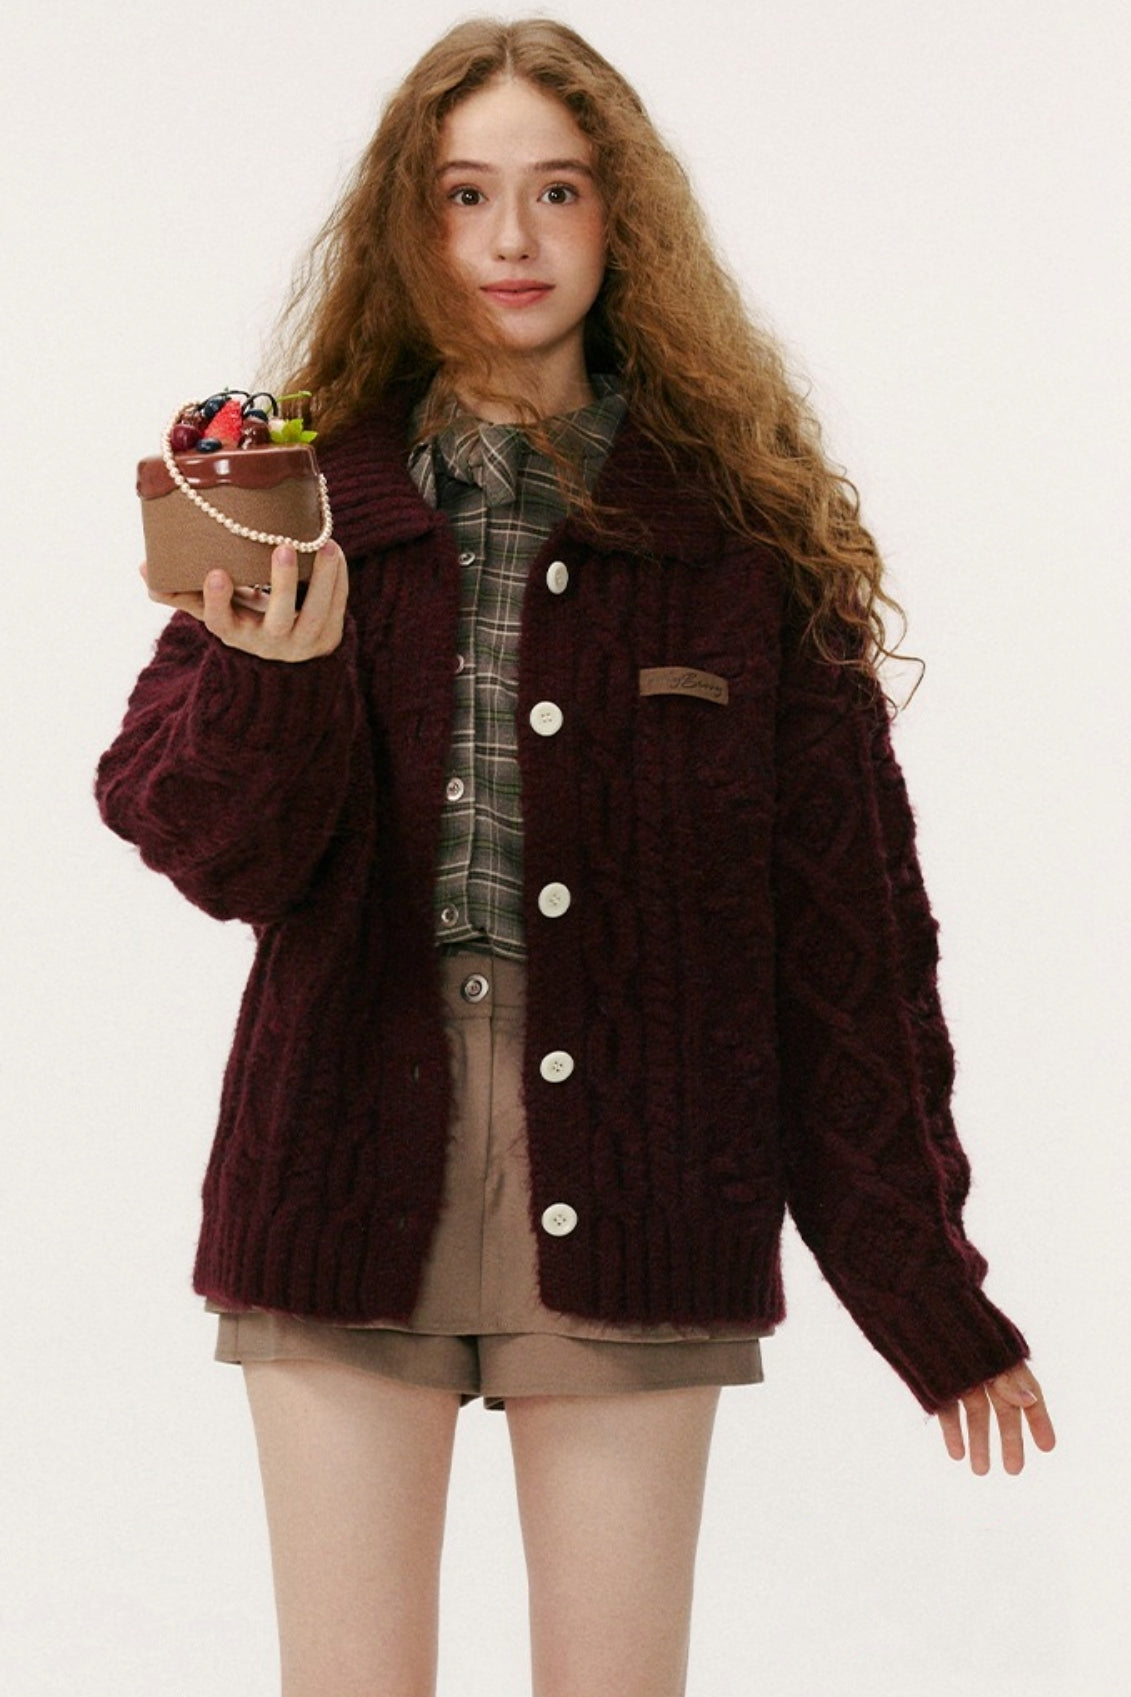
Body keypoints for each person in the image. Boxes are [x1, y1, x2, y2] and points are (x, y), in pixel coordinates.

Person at [96, 18, 1056, 1697]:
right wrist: (272, 675)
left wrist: (929, 1291)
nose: (513, 240)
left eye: (558, 190)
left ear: (625, 221)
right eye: (466, 195)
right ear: (411, 225)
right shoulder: (303, 499)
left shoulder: (739, 541)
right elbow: (197, 841)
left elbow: (854, 957)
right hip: (340, 1154)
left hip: (650, 1165)